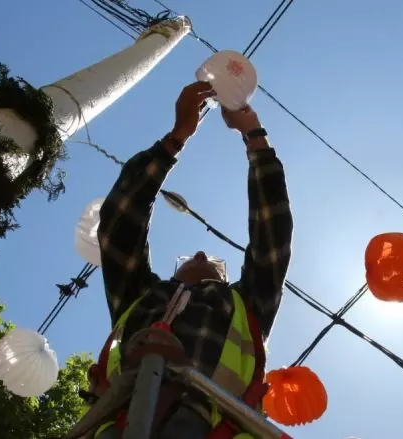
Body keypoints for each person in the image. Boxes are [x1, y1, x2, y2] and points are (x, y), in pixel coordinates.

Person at [93, 81, 294, 438]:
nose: (202, 253)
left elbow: (272, 229)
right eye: (192, 256)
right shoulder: (141, 295)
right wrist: (176, 137)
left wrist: (254, 135)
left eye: (216, 262)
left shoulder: (247, 306)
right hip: (119, 424)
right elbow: (121, 220)